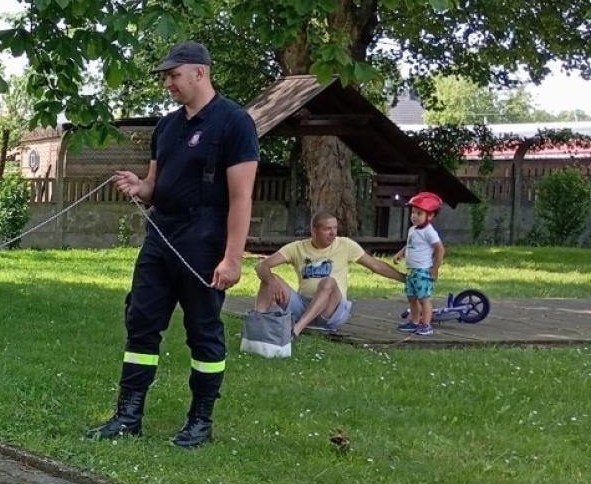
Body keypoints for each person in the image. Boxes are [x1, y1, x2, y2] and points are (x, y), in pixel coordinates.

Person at [92, 41, 258, 449]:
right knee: (141, 322)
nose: (168, 83)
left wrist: (232, 258)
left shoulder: (234, 123)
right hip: (160, 237)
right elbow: (154, 186)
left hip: (204, 239)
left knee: (202, 330)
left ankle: (200, 420)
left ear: (199, 72)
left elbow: (241, 197)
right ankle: (128, 415)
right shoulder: (166, 127)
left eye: (173, 75)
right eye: (166, 76)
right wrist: (140, 186)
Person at [252, 211, 406, 337]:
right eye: (327, 229)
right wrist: (271, 282)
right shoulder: (296, 248)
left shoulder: (345, 245)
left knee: (329, 282)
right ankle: (255, 325)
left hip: (331, 311)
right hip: (303, 306)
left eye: (335, 228)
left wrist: (404, 278)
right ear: (313, 230)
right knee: (270, 278)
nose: (333, 233)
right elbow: (261, 266)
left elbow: (376, 266)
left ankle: (296, 330)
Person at [393, 192, 445, 337]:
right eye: (413, 212)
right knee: (411, 297)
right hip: (411, 271)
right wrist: (400, 253)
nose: (414, 216)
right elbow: (409, 245)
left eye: (419, 213)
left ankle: (426, 324)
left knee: (424, 299)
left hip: (422, 271)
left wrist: (435, 269)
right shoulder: (412, 230)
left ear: (430, 216)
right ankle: (414, 322)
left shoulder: (430, 232)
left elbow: (440, 250)